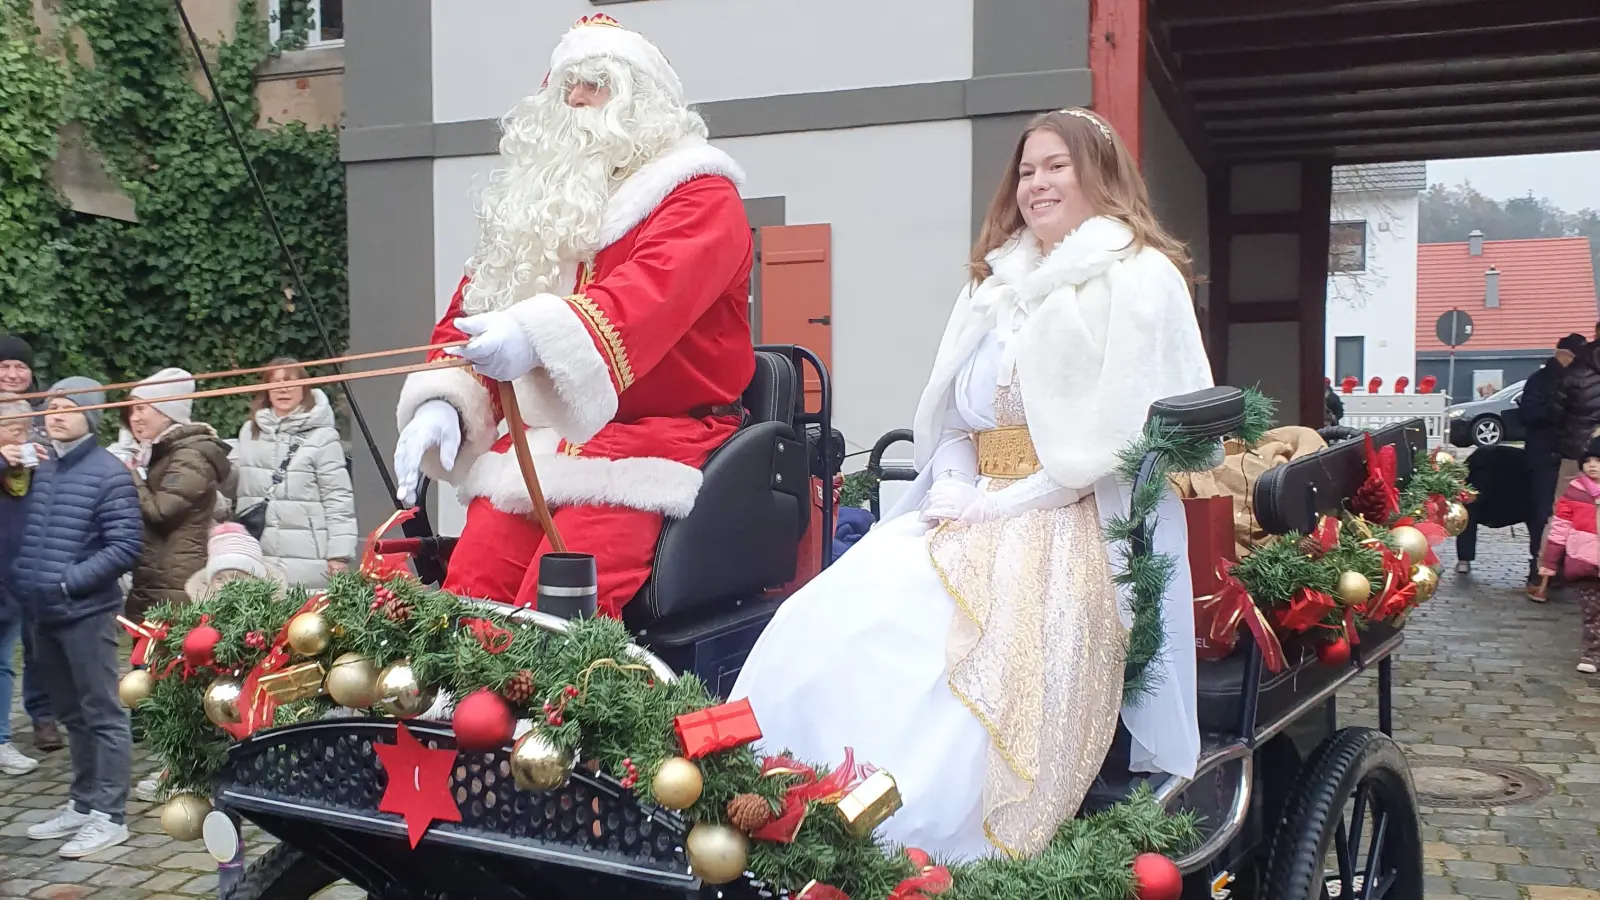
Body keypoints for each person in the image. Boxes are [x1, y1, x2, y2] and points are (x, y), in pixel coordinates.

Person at [731, 108, 1212, 861]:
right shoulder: (996, 286)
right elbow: (956, 417)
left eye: (1057, 165)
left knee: (951, 667)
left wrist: (1004, 502)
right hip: (971, 505)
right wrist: (956, 483)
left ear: (1100, 174)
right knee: (839, 614)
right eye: (1027, 170)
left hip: (1071, 518)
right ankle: (792, 803)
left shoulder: (1139, 276)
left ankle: (911, 840)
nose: (1038, 183)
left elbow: (1122, 444)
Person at [392, 13, 754, 616]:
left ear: (647, 104)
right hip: (544, 448)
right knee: (464, 599)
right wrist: (446, 399)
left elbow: (647, 296)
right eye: (567, 85)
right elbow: (480, 305)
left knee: (555, 617)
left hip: (656, 442)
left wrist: (536, 336)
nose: (577, 97)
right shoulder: (546, 205)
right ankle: (445, 713)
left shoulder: (700, 196)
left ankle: (542, 712)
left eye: (598, 82)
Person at [9, 378, 141, 857]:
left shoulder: (107, 472)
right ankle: (83, 803)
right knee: (70, 714)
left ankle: (110, 815)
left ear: (91, 416)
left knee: (101, 712)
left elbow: (125, 546)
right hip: (42, 612)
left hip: (84, 611)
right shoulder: (41, 466)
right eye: (51, 407)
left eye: (67, 408)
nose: (55, 414)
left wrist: (69, 581)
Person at [230, 359, 356, 589]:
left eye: (291, 382)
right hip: (258, 556)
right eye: (276, 382)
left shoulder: (323, 437)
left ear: (304, 388)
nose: (283, 389)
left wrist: (339, 555)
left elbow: (339, 499)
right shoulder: (250, 432)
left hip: (309, 559)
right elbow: (236, 485)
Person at [122, 368, 235, 620]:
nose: (134, 418)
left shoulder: (189, 456)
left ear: (167, 413)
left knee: (166, 654)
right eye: (132, 410)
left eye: (142, 409)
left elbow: (160, 511)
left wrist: (129, 475)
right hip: (160, 576)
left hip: (175, 581)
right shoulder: (162, 452)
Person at [0, 337, 61, 752]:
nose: (13, 375)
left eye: (20, 367)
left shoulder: (44, 414)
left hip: (36, 547)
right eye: (4, 366)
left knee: (38, 640)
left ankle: (43, 717)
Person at [1508, 333, 1586, 580]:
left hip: (1569, 456)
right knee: (1544, 514)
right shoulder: (1539, 380)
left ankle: (1562, 565)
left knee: (1570, 514)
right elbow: (1528, 414)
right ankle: (1540, 567)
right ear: (1563, 354)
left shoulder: (1578, 381)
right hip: (1543, 457)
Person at [0, 394, 42, 776]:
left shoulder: (27, 468)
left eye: (26, 430)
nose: (21, 438)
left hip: (12, 578)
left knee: (3, 664)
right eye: (13, 430)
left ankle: (1, 741)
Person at [1538, 436, 1600, 673]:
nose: (1592, 465)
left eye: (1598, 461)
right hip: (1584, 563)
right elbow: (1560, 528)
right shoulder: (1575, 492)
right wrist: (1550, 561)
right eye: (1588, 461)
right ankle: (1591, 653)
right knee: (1591, 612)